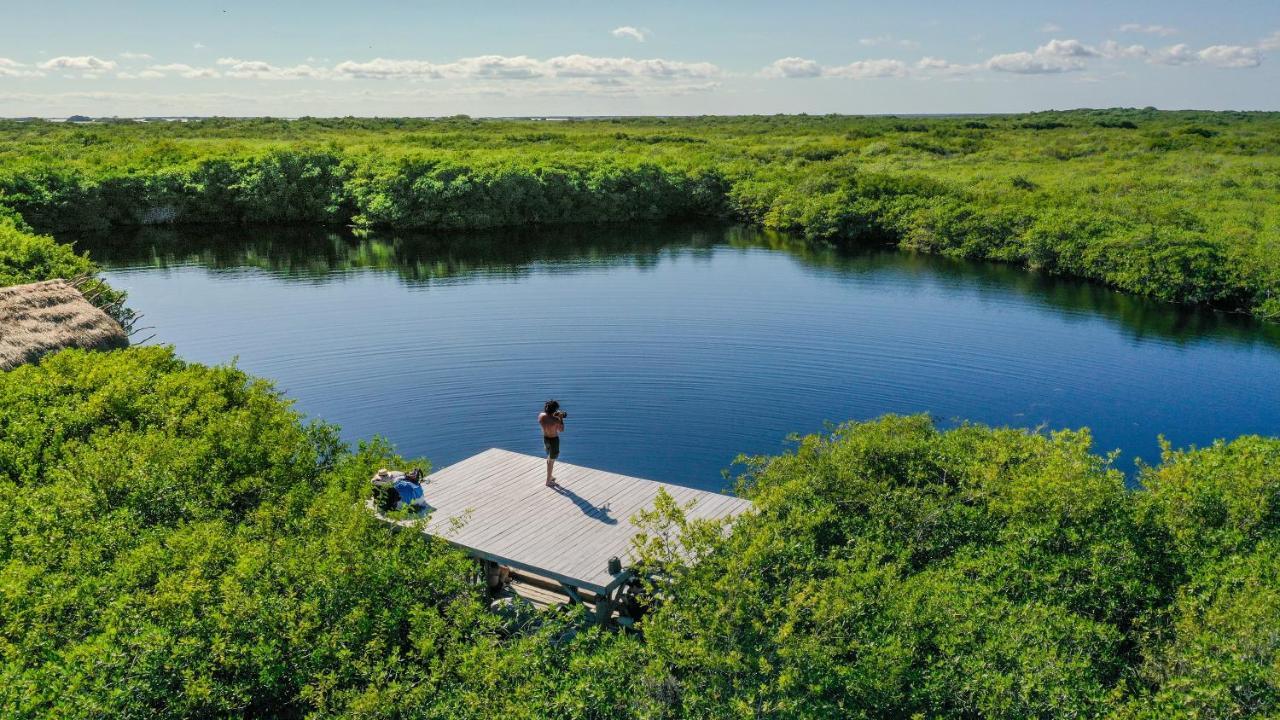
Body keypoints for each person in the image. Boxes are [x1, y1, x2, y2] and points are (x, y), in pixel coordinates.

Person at [538, 400, 566, 487]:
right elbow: (561, 430)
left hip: (545, 438)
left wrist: (554, 414)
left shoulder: (541, 416)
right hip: (554, 440)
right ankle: (548, 481)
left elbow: (547, 419)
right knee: (552, 460)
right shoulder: (555, 420)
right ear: (554, 410)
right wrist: (560, 418)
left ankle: (550, 476)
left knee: (549, 458)